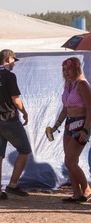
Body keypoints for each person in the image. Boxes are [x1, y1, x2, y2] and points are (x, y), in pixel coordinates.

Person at [0, 49, 32, 201]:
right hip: (9, 119)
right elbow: (16, 99)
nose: (14, 64)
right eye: (13, 60)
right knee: (24, 150)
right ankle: (12, 184)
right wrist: (24, 112)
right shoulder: (9, 76)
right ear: (9, 59)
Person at [50, 57, 91, 203]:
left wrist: (86, 130)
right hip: (69, 124)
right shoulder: (68, 84)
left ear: (77, 68)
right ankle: (76, 193)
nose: (66, 72)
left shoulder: (82, 85)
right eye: (64, 70)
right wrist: (56, 126)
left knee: (70, 161)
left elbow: (90, 109)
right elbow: (65, 109)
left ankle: (86, 189)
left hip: (81, 124)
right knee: (69, 161)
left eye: (69, 69)